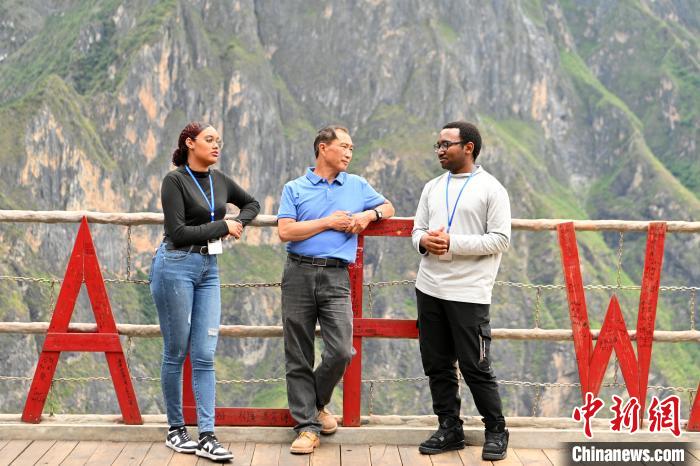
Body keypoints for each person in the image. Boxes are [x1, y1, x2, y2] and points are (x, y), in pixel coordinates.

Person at [277, 125, 395, 454]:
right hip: (298, 272)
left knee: (342, 350)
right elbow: (285, 231)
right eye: (343, 146)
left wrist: (368, 215)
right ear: (323, 147)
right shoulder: (295, 188)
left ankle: (314, 404)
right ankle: (307, 428)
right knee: (298, 352)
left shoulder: (356, 185)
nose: (348, 153)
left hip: (336, 275)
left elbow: (388, 207)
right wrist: (328, 222)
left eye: (351, 148)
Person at [150, 121, 260, 462]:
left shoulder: (220, 180)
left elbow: (252, 204)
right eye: (209, 140)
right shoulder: (174, 181)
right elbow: (178, 232)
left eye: (219, 141)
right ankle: (176, 429)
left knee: (204, 353)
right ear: (190, 143)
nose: (216, 146)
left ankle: (208, 435)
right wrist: (222, 226)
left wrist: (237, 223)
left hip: (209, 268)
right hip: (176, 264)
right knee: (176, 350)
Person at [412, 121, 511, 461]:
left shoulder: (491, 189)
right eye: (438, 145)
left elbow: (500, 239)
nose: (440, 150)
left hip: (469, 292)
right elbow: (417, 230)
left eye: (447, 144)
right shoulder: (432, 187)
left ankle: (496, 430)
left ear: (469, 147)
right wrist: (425, 242)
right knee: (437, 364)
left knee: (475, 366)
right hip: (429, 287)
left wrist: (452, 243)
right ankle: (449, 427)